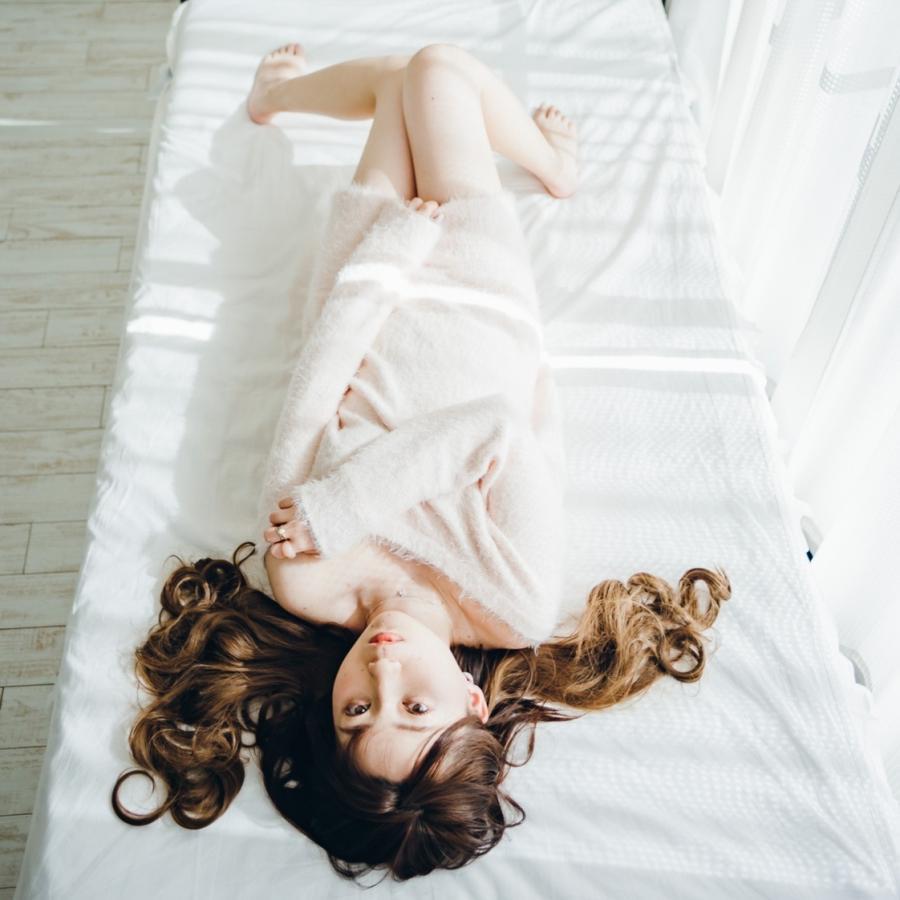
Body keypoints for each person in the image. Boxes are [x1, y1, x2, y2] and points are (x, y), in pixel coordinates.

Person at [112, 43, 732, 883]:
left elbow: (313, 392)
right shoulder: (511, 604)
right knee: (435, 70)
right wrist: (347, 503)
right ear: (472, 702)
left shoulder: (307, 582)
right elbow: (497, 428)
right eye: (413, 706)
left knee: (395, 84)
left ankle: (276, 97)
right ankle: (552, 165)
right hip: (480, 288)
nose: (381, 668)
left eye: (355, 712)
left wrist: (384, 258)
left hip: (366, 279)